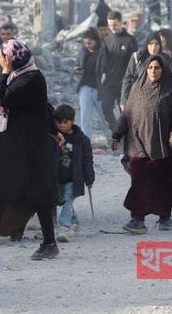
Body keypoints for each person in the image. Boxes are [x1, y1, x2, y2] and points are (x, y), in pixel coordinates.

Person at [0, 40, 59, 265]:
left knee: (28, 195)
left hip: (25, 149)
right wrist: (54, 131)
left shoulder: (28, 79)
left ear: (11, 59)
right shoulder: (25, 75)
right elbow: (43, 108)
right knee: (4, 194)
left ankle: (46, 244)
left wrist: (4, 73)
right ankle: (45, 244)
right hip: (19, 147)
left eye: (2, 58)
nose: (0, 62)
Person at [112, 55, 172, 233]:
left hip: (162, 145)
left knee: (164, 183)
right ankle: (137, 219)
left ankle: (164, 216)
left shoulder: (171, 88)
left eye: (157, 68)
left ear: (163, 69)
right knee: (139, 182)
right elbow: (126, 114)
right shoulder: (137, 88)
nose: (153, 71)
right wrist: (116, 135)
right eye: (150, 67)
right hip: (138, 144)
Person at [51, 104, 95, 243]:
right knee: (62, 200)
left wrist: (89, 177)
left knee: (68, 199)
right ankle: (74, 221)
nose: (62, 125)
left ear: (73, 120)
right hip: (57, 177)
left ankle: (64, 228)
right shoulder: (53, 138)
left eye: (66, 122)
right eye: (59, 122)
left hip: (74, 178)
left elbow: (87, 160)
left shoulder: (82, 140)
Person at [101, 11, 138, 129]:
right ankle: (115, 130)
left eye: (115, 25)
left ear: (121, 22)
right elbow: (104, 60)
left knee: (125, 112)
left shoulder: (130, 40)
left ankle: (126, 135)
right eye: (110, 25)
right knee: (105, 108)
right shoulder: (107, 40)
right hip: (110, 82)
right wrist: (103, 73)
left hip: (125, 83)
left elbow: (136, 62)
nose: (112, 28)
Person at [75, 28, 107, 138]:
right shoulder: (83, 51)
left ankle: (112, 141)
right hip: (85, 88)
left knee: (105, 118)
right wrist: (77, 70)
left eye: (90, 43)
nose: (87, 45)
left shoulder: (104, 51)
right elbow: (77, 64)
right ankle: (86, 143)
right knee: (85, 118)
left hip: (100, 90)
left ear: (96, 40)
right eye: (85, 43)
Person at [121, 34, 163, 103]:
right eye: (151, 43)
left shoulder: (164, 59)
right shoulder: (137, 57)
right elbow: (128, 78)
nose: (153, 47)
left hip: (157, 98)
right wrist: (124, 100)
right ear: (147, 45)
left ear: (160, 45)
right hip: (138, 97)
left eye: (156, 44)